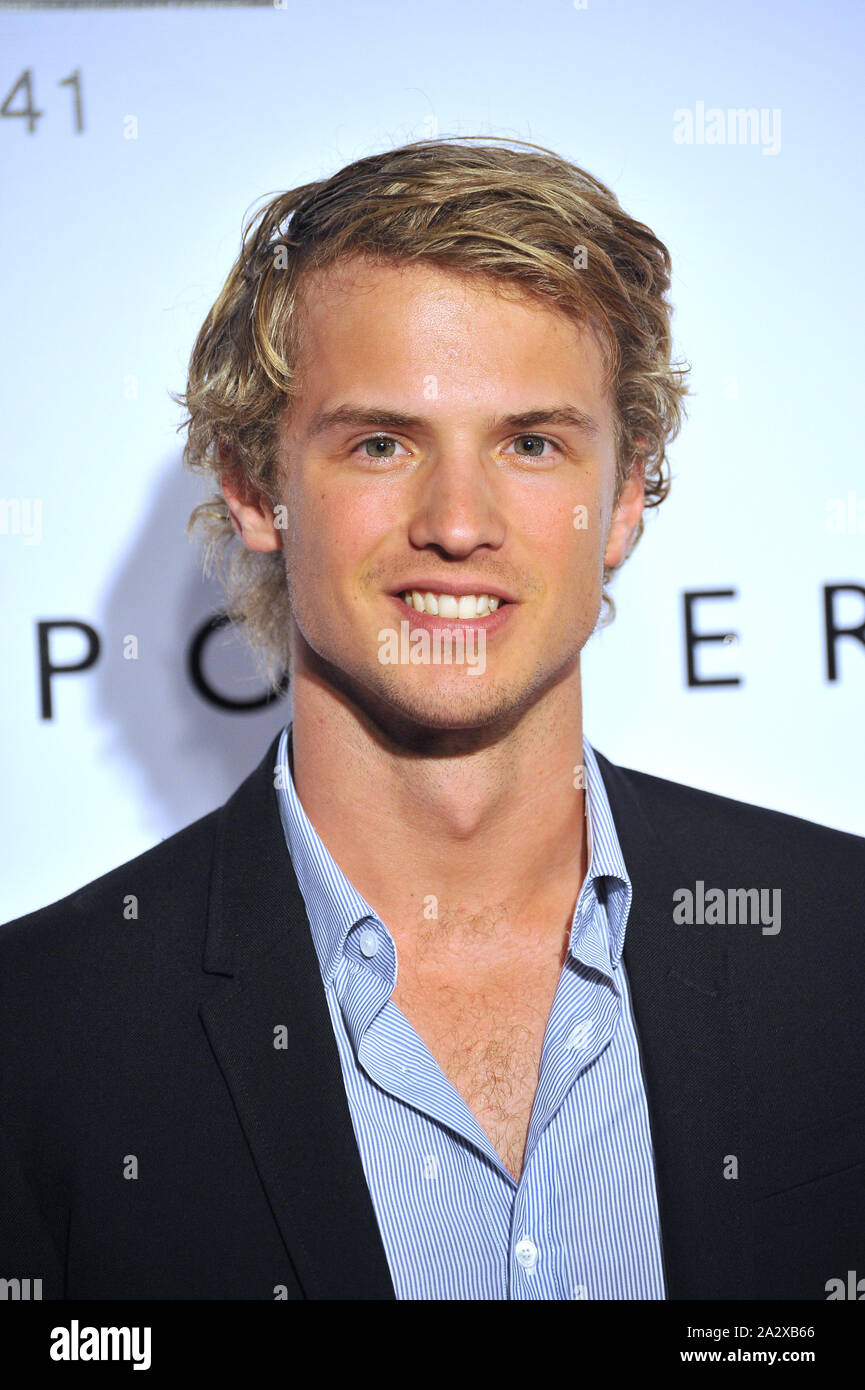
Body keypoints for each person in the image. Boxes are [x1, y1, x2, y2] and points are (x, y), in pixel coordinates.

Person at [2, 137, 863, 1302]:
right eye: (380, 442)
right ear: (255, 487)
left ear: (619, 499)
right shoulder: (38, 1038)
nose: (458, 523)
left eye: (530, 443)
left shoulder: (839, 943)